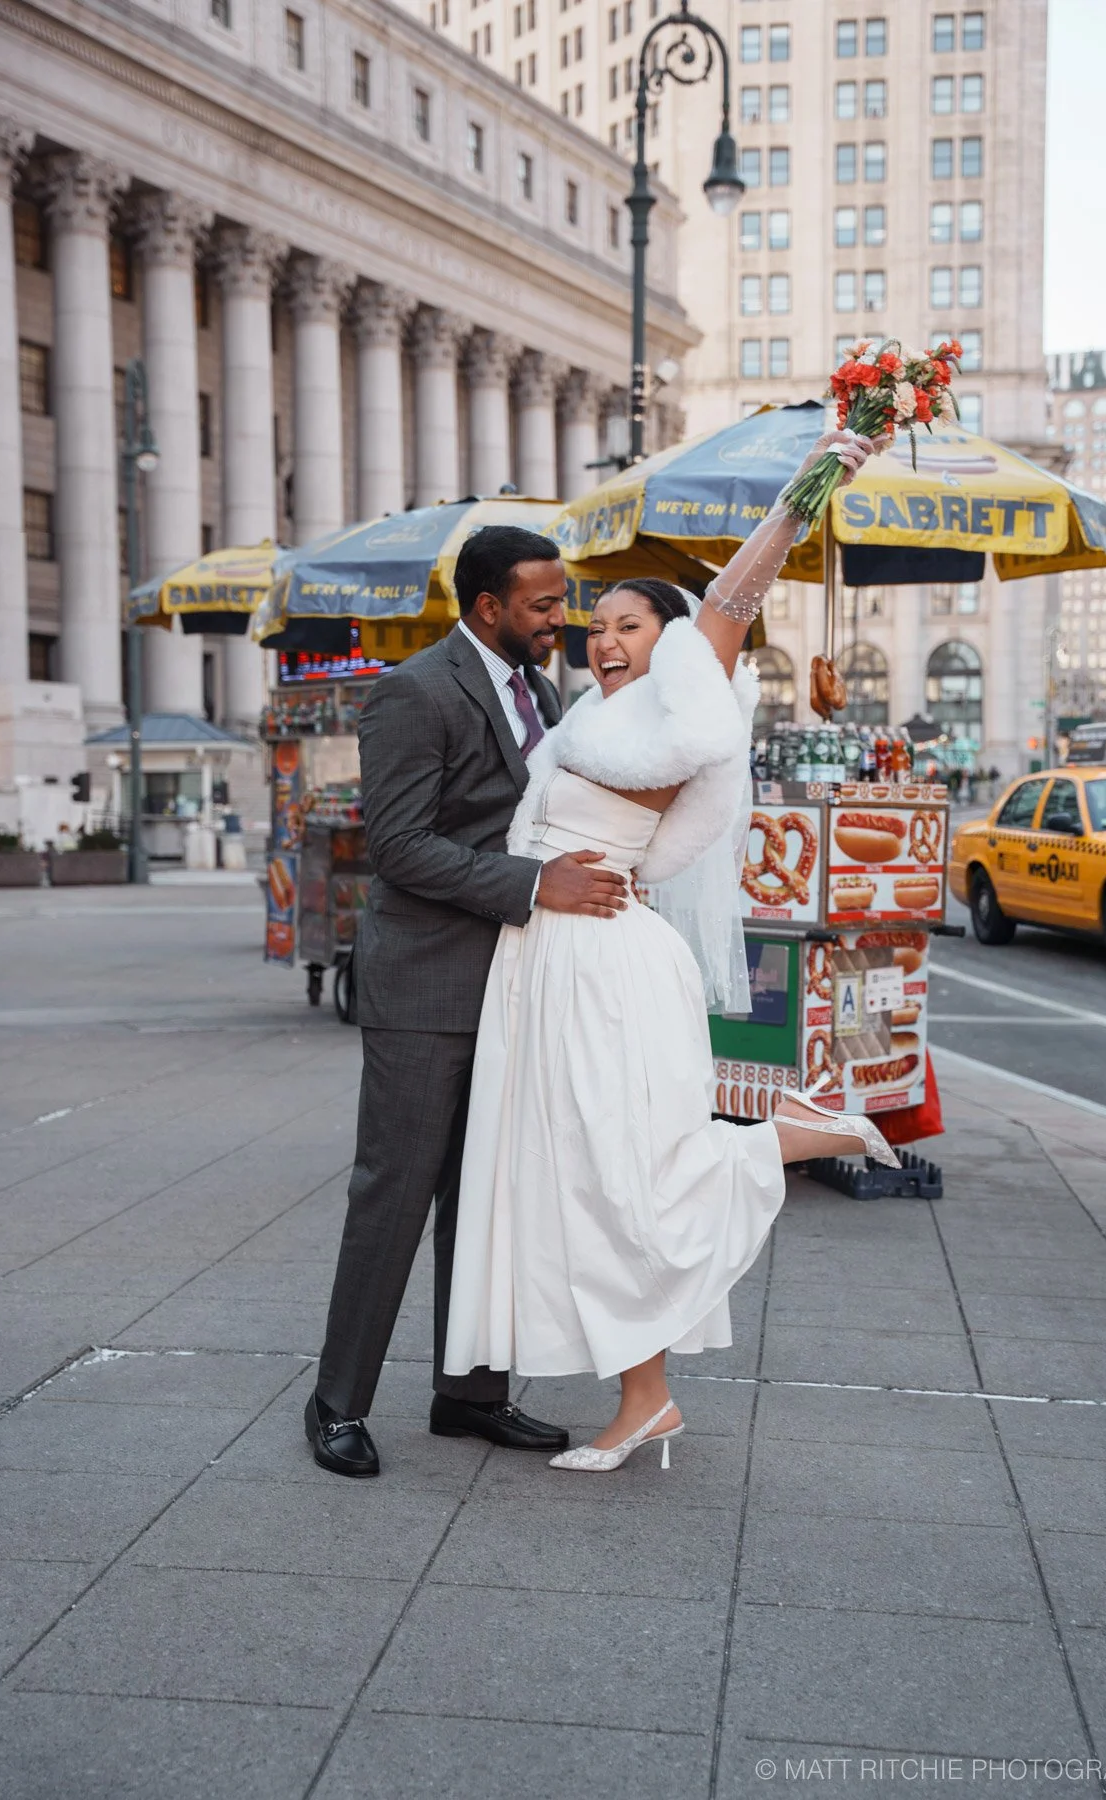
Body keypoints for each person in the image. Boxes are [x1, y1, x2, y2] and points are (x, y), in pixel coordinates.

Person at [443, 430, 901, 1473]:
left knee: (621, 1178)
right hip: (549, 965)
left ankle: (791, 1137)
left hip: (603, 969)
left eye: (631, 624)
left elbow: (733, 601)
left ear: (674, 640)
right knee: (582, 1188)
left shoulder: (672, 708)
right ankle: (644, 1399)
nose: (605, 640)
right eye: (594, 626)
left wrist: (806, 489)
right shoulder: (590, 726)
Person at [306, 525, 633, 1478]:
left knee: (492, 1197)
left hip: (517, 984)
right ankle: (336, 1401)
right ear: (487, 607)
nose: (559, 620)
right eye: (543, 605)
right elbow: (399, 846)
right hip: (426, 985)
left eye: (561, 601)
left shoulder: (540, 689)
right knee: (395, 1196)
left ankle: (470, 1396)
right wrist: (538, 885)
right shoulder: (410, 692)